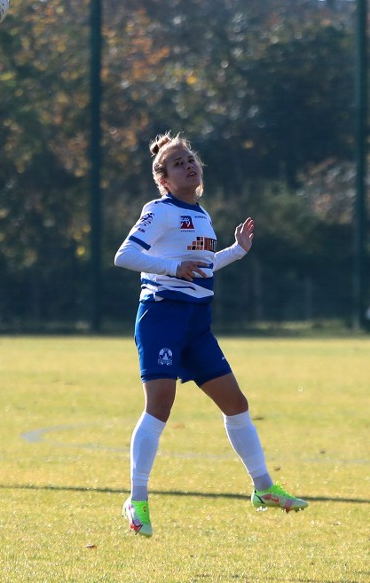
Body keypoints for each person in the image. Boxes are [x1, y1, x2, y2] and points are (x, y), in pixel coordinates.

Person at [113, 133, 308, 538]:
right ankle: (138, 499)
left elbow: (200, 267)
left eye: (191, 159)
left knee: (236, 404)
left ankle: (263, 489)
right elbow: (125, 255)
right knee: (160, 408)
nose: (189, 165)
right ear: (163, 179)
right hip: (162, 317)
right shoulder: (159, 210)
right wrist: (170, 267)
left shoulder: (201, 215)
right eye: (178, 162)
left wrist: (236, 251)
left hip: (197, 323)